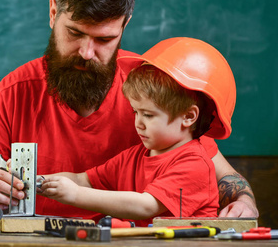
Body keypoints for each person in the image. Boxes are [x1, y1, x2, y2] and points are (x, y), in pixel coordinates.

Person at [0, 0, 258, 219]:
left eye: (104, 39)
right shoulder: (14, 93)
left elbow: (222, 176)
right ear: (53, 12)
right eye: (74, 33)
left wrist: (244, 201)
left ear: (125, 25)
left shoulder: (154, 85)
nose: (87, 53)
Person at [39, 37, 230, 225]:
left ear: (188, 117)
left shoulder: (194, 164)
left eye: (148, 115)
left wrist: (75, 195)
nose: (138, 123)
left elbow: (145, 206)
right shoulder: (133, 157)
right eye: (135, 112)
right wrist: (35, 181)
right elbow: (83, 180)